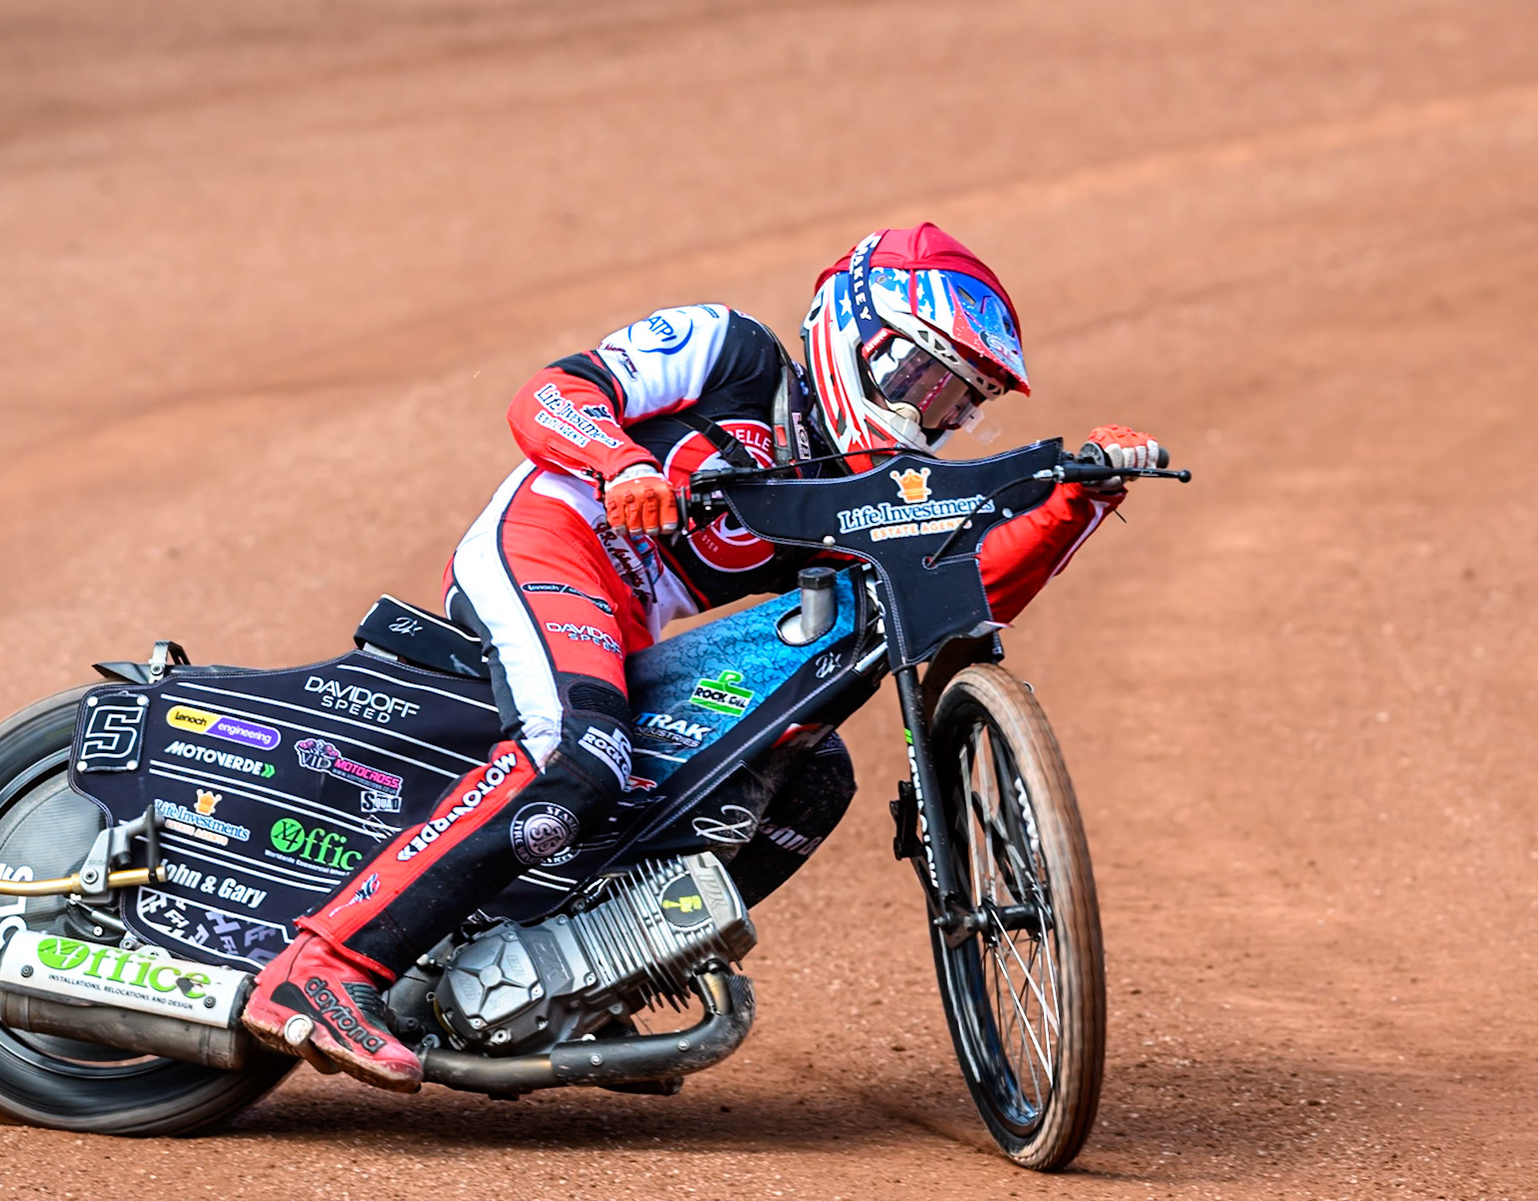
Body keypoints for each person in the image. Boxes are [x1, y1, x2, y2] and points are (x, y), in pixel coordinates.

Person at [241, 223, 1164, 1091]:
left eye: (958, 401)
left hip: (627, 616)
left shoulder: (855, 487)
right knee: (581, 755)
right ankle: (324, 965)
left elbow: (959, 593)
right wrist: (620, 463)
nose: (935, 413)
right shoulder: (730, 348)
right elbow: (549, 393)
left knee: (810, 774)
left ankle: (585, 981)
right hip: (551, 538)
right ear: (855, 332)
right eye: (924, 377)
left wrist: (1075, 500)